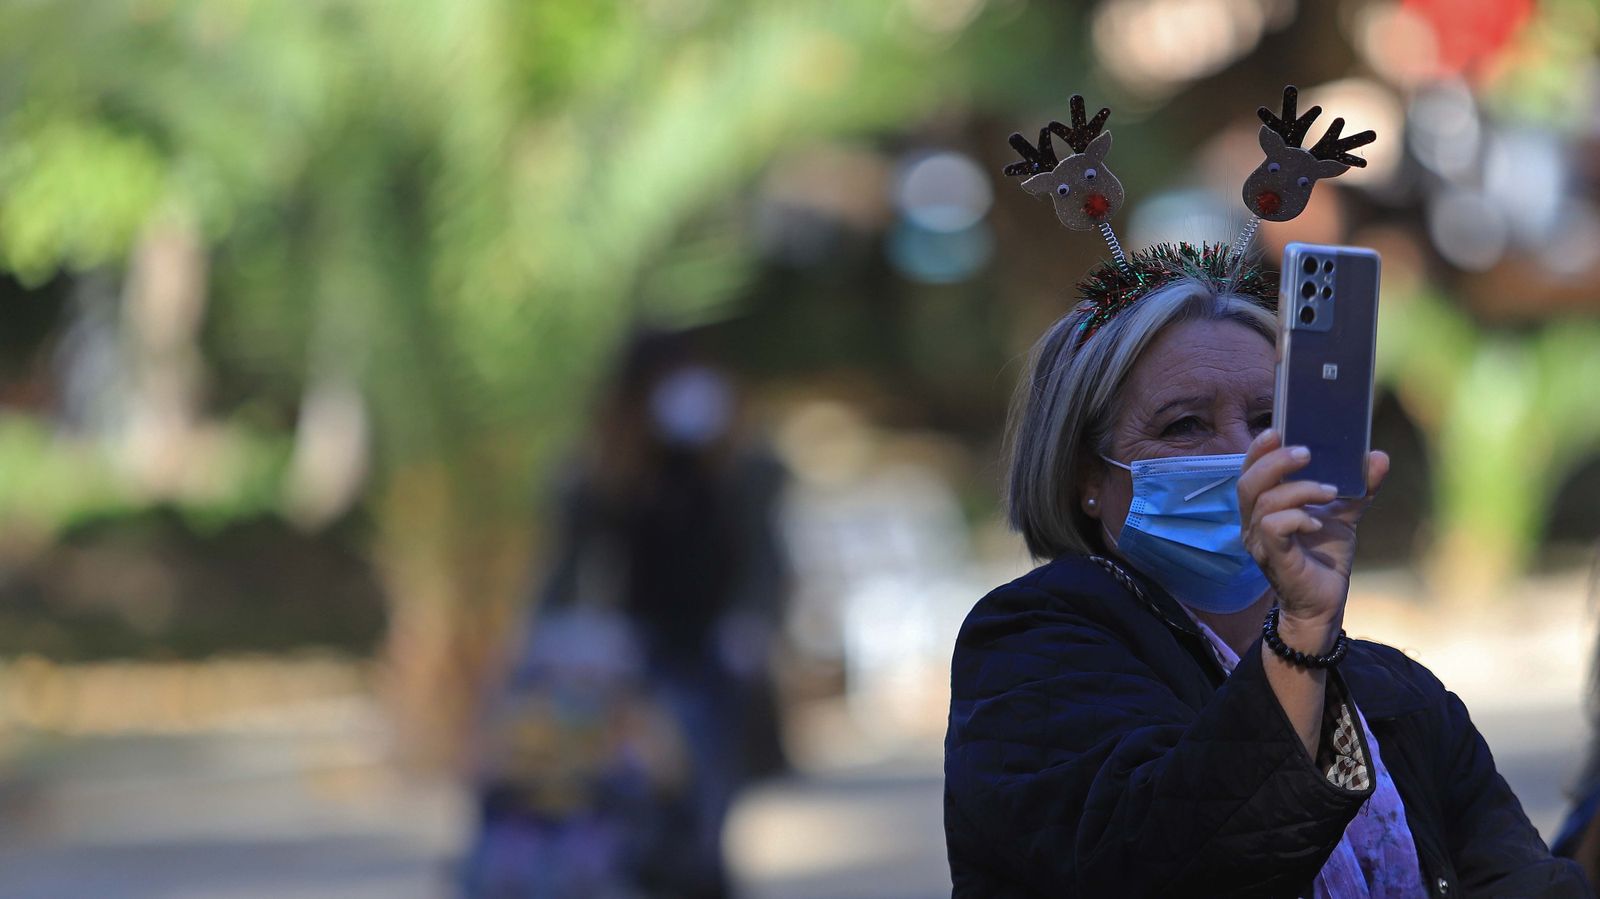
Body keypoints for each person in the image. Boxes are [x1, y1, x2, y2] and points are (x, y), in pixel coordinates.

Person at [941, 245, 1588, 896]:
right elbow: (1171, 862)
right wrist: (1303, 632)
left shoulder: (1399, 693)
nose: (1244, 455)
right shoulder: (1031, 645)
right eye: (1185, 424)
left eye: (1266, 421)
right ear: (1087, 474)